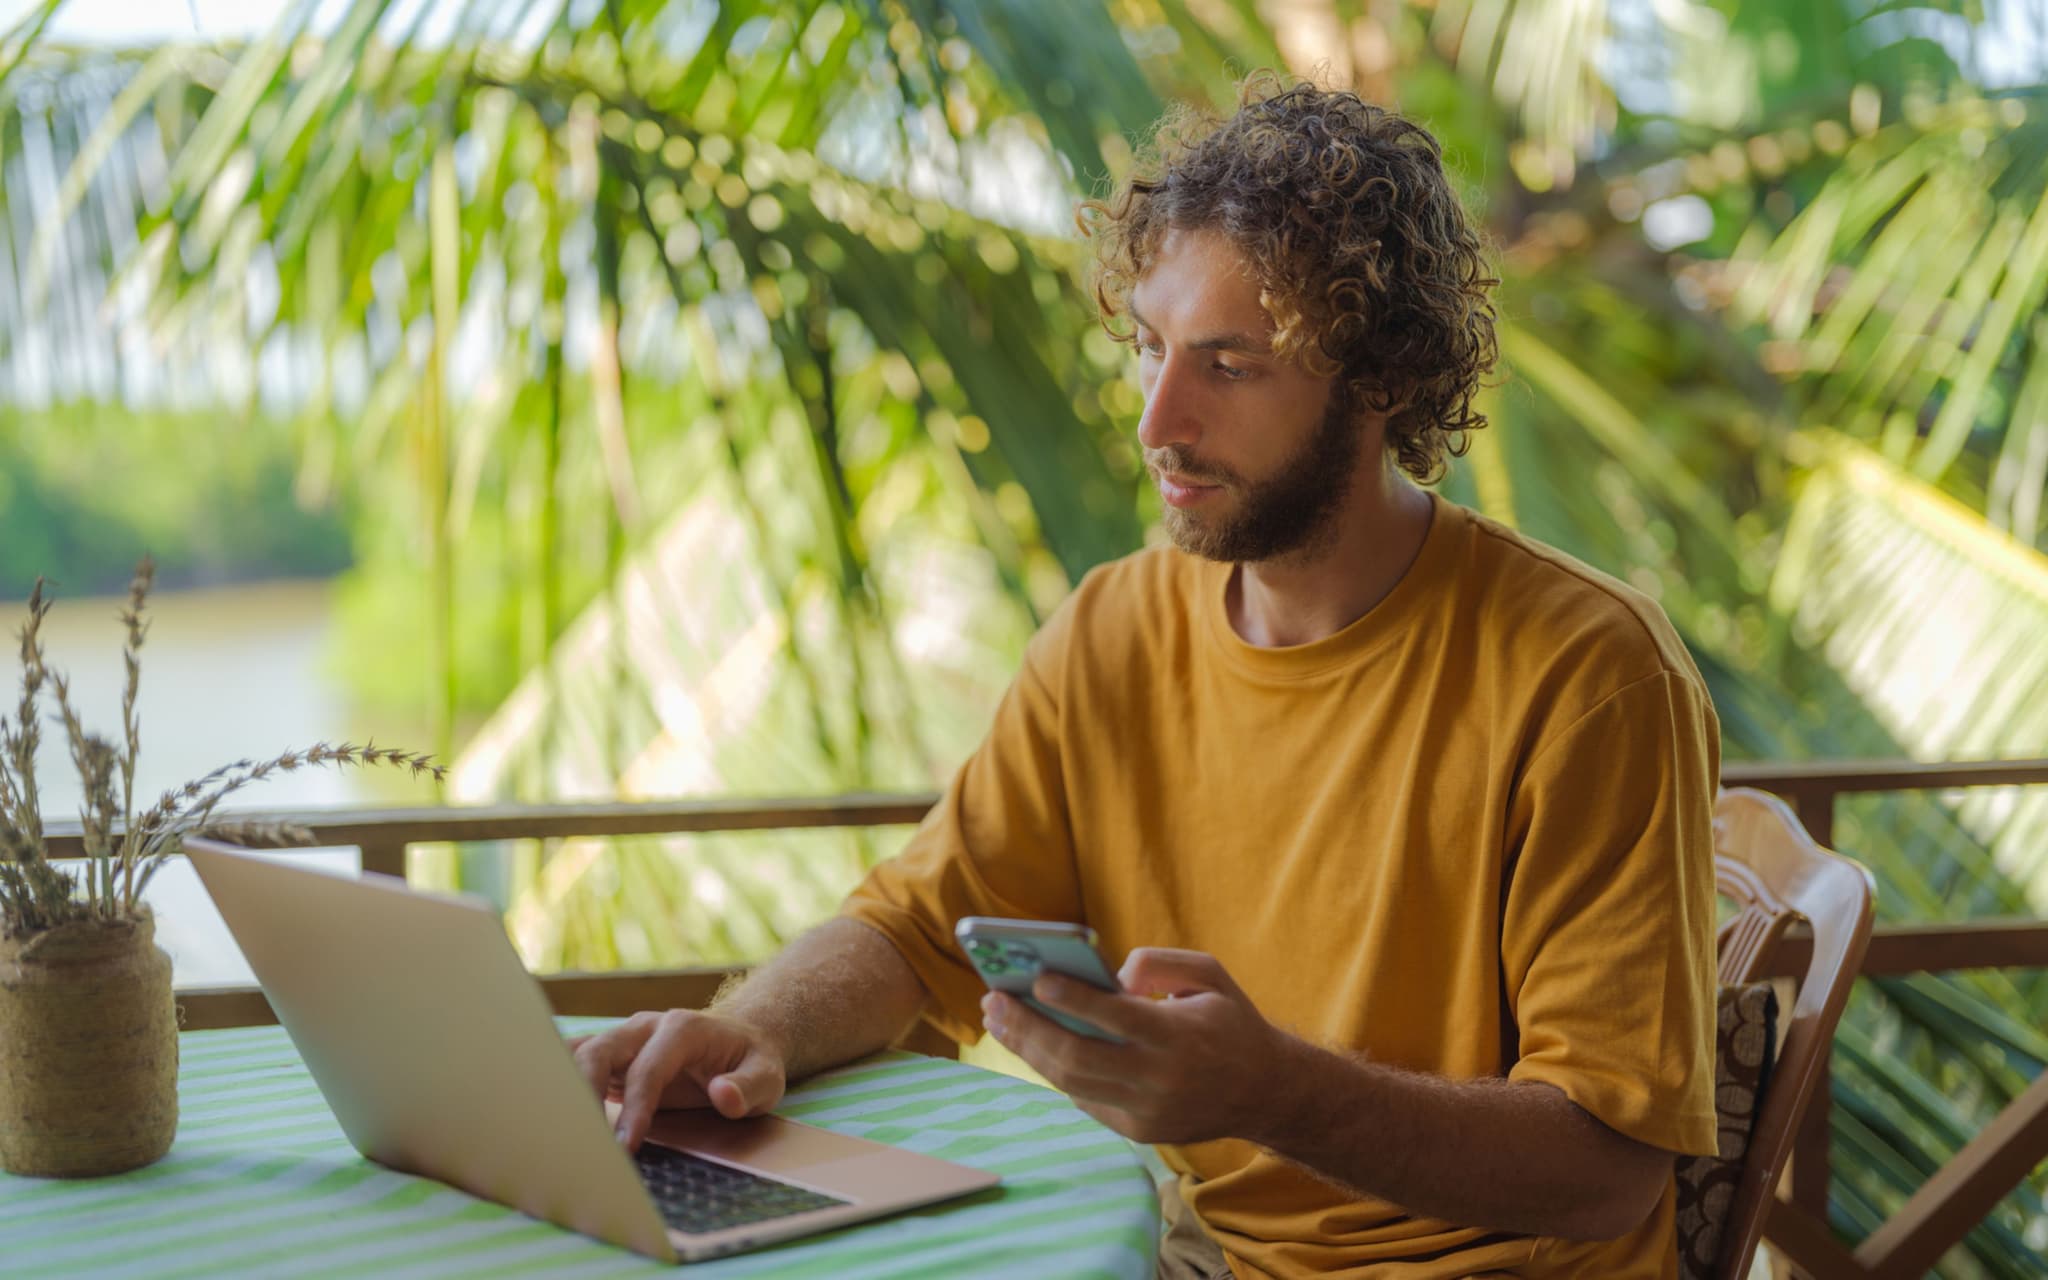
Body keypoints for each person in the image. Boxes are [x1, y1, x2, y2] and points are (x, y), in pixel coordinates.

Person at [575, 74, 1719, 1279]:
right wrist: (749, 1026)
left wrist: (1274, 1088)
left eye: (1227, 365)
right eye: (1148, 348)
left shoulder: (1586, 671)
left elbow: (1605, 1165)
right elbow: (914, 929)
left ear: (1379, 379)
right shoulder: (1114, 630)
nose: (1157, 420)